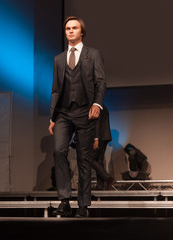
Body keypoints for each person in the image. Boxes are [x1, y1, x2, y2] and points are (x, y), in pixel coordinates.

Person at [48, 16, 107, 217]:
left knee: (84, 157)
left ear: (82, 32)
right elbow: (55, 90)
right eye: (67, 28)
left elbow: (100, 81)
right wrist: (52, 117)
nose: (70, 31)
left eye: (74, 28)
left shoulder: (93, 55)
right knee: (58, 151)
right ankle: (64, 200)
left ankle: (83, 204)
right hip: (63, 112)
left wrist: (97, 104)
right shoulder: (58, 59)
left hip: (85, 111)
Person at [90, 104, 115, 190]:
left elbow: (97, 123)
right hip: (104, 136)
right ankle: (100, 186)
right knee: (99, 160)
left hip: (99, 137)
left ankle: (108, 178)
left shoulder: (96, 107)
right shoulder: (104, 106)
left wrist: (96, 138)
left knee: (90, 159)